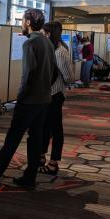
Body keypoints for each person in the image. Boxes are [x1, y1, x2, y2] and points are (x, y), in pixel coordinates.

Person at [0, 9, 56, 190]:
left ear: (27, 22)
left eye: (22, 20)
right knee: (35, 139)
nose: (21, 23)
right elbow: (54, 73)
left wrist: (21, 98)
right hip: (44, 100)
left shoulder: (30, 43)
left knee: (13, 138)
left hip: (29, 101)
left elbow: (28, 75)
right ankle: (29, 177)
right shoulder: (48, 42)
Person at [39, 22, 74, 175]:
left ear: (50, 34)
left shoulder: (60, 52)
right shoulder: (50, 49)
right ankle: (41, 156)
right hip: (47, 94)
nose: (42, 36)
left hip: (56, 94)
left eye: (44, 33)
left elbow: (69, 77)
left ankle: (53, 163)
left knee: (56, 129)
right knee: (44, 127)